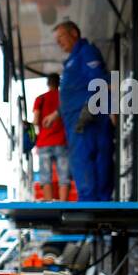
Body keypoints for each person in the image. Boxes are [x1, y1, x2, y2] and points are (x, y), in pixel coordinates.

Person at [54, 21, 114, 202]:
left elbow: (100, 82)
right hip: (77, 121)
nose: (59, 43)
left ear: (73, 33)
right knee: (83, 161)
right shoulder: (73, 59)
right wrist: (56, 113)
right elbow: (75, 90)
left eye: (61, 37)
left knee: (87, 160)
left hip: (87, 118)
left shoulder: (86, 52)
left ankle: (93, 203)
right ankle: (91, 200)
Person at [31, 73, 69, 201]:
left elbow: (36, 121)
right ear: (59, 83)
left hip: (44, 142)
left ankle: (48, 202)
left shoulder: (40, 99)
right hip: (61, 141)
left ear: (48, 83)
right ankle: (64, 204)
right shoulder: (64, 99)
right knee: (63, 175)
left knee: (45, 176)